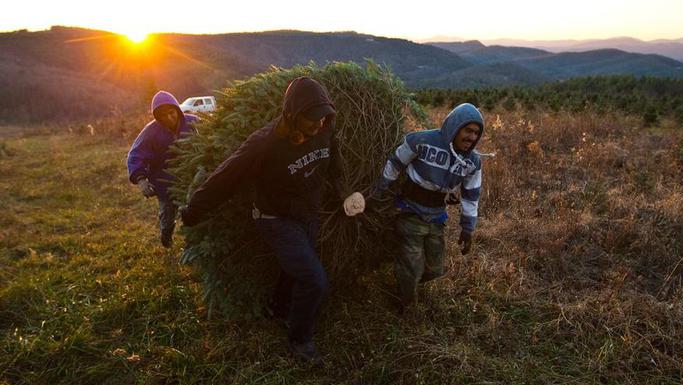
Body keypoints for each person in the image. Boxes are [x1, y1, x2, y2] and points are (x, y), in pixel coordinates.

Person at [180, 77, 343, 366]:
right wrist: (193, 212)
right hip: (275, 218)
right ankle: (300, 340)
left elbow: (335, 164)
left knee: (296, 268)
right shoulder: (265, 144)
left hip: (307, 213)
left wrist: (342, 195)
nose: (319, 125)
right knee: (314, 279)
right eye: (312, 119)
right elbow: (225, 178)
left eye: (324, 117)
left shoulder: (325, 130)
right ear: (293, 116)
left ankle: (277, 308)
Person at [369, 103, 484, 312]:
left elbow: (471, 194)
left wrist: (468, 228)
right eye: (468, 130)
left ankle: (404, 277)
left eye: (476, 133)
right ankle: (407, 306)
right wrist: (378, 191)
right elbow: (395, 162)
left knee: (435, 269)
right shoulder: (421, 141)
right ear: (456, 126)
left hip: (436, 216)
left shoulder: (472, 162)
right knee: (413, 265)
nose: (472, 137)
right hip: (410, 210)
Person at [127, 91, 198, 248]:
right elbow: (135, 154)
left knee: (192, 210)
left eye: (172, 113)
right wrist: (141, 179)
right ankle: (166, 235)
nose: (169, 118)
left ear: (178, 110)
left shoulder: (193, 123)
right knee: (167, 215)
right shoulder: (151, 132)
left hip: (190, 180)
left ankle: (192, 243)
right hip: (164, 184)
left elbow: (209, 140)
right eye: (163, 116)